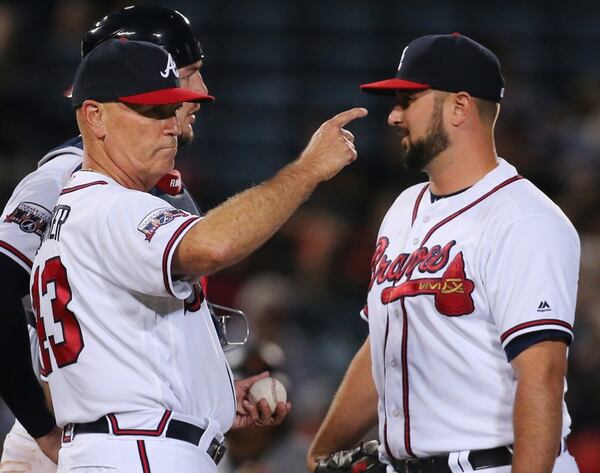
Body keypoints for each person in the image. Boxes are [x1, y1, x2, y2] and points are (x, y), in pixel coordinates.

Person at [30, 37, 365, 473]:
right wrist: (308, 169)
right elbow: (214, 245)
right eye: (150, 110)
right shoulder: (114, 206)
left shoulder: (72, 213)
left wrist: (214, 400)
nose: (170, 124)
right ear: (95, 116)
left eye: (172, 108)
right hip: (141, 453)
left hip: (114, 447)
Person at [0, 5, 281, 472]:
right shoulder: (68, 175)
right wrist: (39, 424)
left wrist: (213, 391)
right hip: (79, 430)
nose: (201, 92)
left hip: (119, 430)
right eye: (189, 74)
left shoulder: (150, 181)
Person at [307, 33, 580, 473]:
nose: (394, 116)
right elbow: (383, 341)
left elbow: (542, 376)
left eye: (408, 100)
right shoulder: (402, 209)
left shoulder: (523, 219)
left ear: (459, 106)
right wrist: (320, 451)